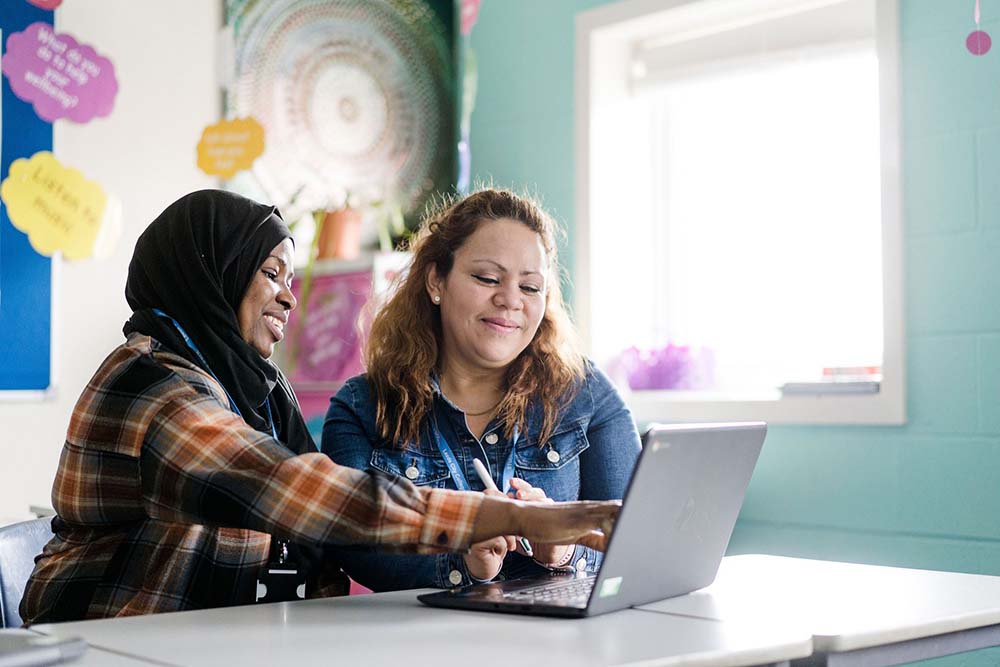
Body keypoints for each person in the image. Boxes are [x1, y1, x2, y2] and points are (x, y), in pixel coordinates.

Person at [18, 190, 619, 624]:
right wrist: (512, 518)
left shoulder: (249, 388)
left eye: (292, 274)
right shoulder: (151, 388)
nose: (289, 294)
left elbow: (314, 555)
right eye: (271, 271)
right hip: (114, 644)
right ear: (212, 274)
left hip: (208, 641)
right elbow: (314, 498)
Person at [322, 188, 641, 591]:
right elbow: (354, 545)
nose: (510, 300)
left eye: (530, 288)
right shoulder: (363, 406)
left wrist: (564, 550)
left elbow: (637, 540)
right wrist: (464, 562)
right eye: (487, 278)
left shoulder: (586, 396)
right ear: (436, 280)